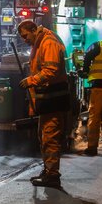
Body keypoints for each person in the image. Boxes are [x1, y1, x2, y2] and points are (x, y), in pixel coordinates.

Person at [17, 19, 70, 188]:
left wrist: (31, 80)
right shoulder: (41, 42)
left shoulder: (48, 42)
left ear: (34, 30)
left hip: (54, 99)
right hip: (49, 99)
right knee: (45, 136)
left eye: (25, 36)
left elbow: (51, 70)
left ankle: (52, 175)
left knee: (50, 137)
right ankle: (48, 171)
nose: (25, 40)